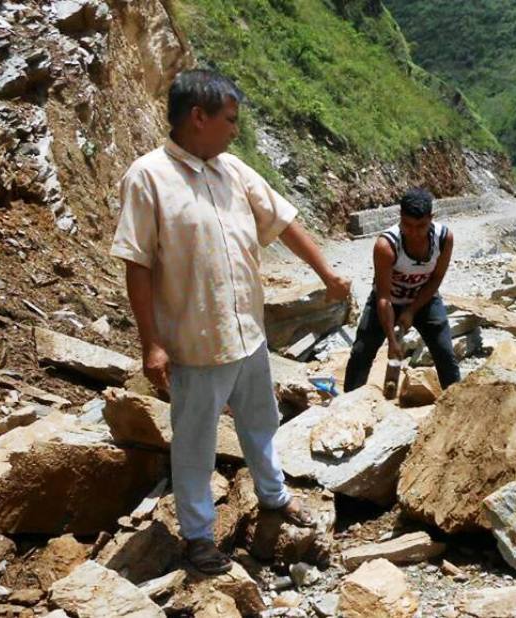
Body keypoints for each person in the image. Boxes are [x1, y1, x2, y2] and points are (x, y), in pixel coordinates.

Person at [110, 69, 351, 574]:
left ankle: (274, 495)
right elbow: (137, 264)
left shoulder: (233, 171)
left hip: (248, 334)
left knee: (262, 421)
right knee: (195, 443)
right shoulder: (148, 177)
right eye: (230, 119)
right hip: (195, 344)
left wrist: (327, 272)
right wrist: (150, 344)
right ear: (199, 117)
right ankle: (198, 537)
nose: (235, 130)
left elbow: (283, 223)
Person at [344, 188, 460, 392]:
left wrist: (411, 310)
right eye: (408, 225)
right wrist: (392, 340)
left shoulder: (443, 239)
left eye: (421, 226)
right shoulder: (387, 245)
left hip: (425, 299)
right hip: (388, 300)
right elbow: (383, 298)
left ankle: (456, 404)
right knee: (361, 352)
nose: (414, 232)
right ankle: (347, 405)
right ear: (400, 218)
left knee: (445, 353)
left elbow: (436, 279)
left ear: (431, 219)